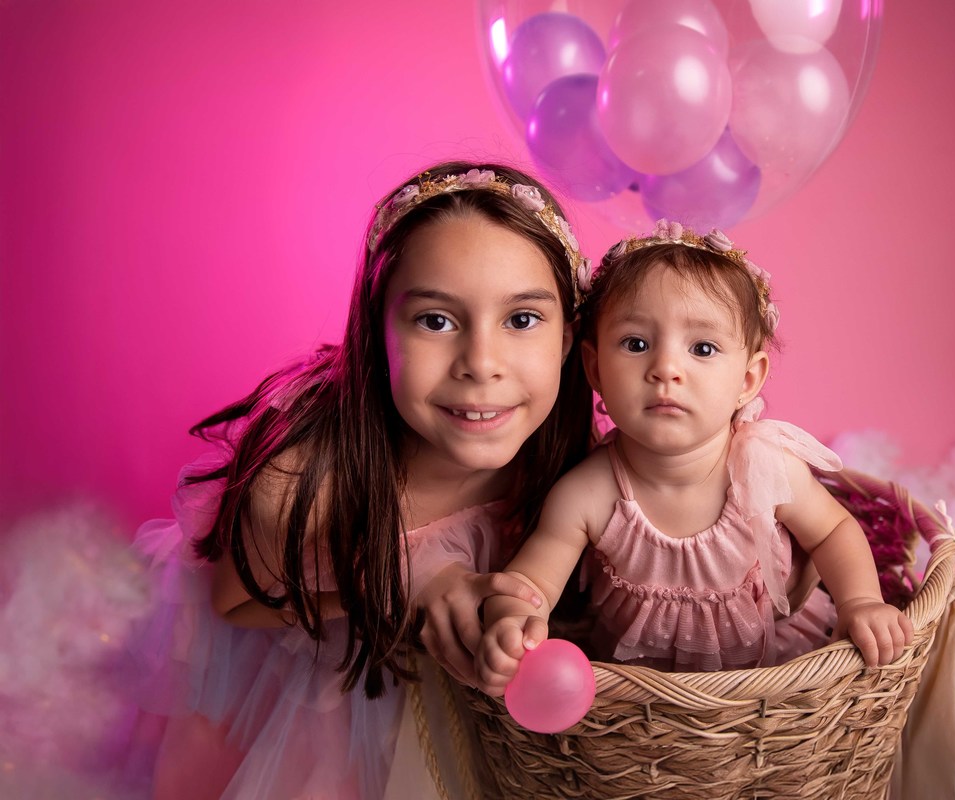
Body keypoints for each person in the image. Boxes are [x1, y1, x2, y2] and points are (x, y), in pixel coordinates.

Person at [128, 161, 593, 799]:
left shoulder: (576, 462)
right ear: (378, 335)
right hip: (335, 702)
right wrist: (395, 593)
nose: (481, 365)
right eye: (436, 320)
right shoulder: (301, 482)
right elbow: (232, 604)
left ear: (569, 338)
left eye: (521, 320)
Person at [475, 220, 913, 694]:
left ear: (747, 380)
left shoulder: (763, 466)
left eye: (702, 348)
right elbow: (531, 581)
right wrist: (513, 623)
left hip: (780, 672)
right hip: (642, 696)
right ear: (595, 367)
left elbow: (832, 531)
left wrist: (861, 602)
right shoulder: (588, 494)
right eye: (636, 344)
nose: (666, 369)